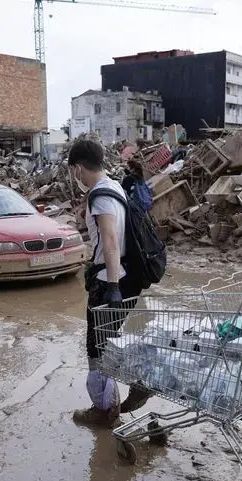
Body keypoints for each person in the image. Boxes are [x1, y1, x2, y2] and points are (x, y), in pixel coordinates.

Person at [69, 139, 152, 427]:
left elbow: (110, 240)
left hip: (110, 280)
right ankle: (128, 387)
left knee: (97, 348)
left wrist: (113, 286)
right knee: (110, 340)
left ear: (79, 168)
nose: (74, 176)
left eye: (73, 171)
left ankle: (105, 409)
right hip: (126, 276)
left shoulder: (100, 196)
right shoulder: (114, 187)